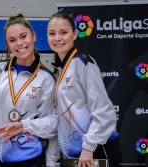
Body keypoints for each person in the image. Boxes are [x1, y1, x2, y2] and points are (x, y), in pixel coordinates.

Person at [0, 13, 59, 167]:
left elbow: (52, 122)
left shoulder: (46, 78)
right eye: (12, 40)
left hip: (27, 159)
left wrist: (24, 126)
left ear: (34, 36)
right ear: (8, 44)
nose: (19, 43)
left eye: (23, 36)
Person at [47, 11, 122, 167]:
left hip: (97, 149)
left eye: (63, 32)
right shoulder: (60, 69)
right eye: (52, 33)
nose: (57, 38)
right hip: (79, 152)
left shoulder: (83, 63)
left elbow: (104, 111)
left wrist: (89, 147)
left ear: (74, 35)